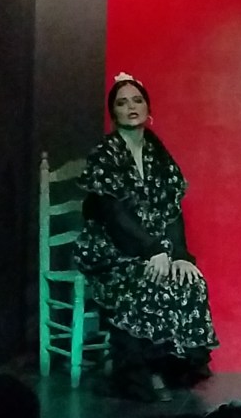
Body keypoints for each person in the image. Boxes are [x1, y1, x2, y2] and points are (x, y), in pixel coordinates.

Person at [75, 73, 219, 402]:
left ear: (148, 108)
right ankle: (135, 376)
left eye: (137, 100)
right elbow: (115, 216)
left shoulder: (157, 152)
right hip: (111, 250)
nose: (131, 107)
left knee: (189, 280)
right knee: (145, 279)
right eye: (122, 102)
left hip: (155, 248)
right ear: (113, 112)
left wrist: (179, 255)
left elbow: (172, 211)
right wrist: (152, 250)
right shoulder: (105, 155)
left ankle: (172, 370)